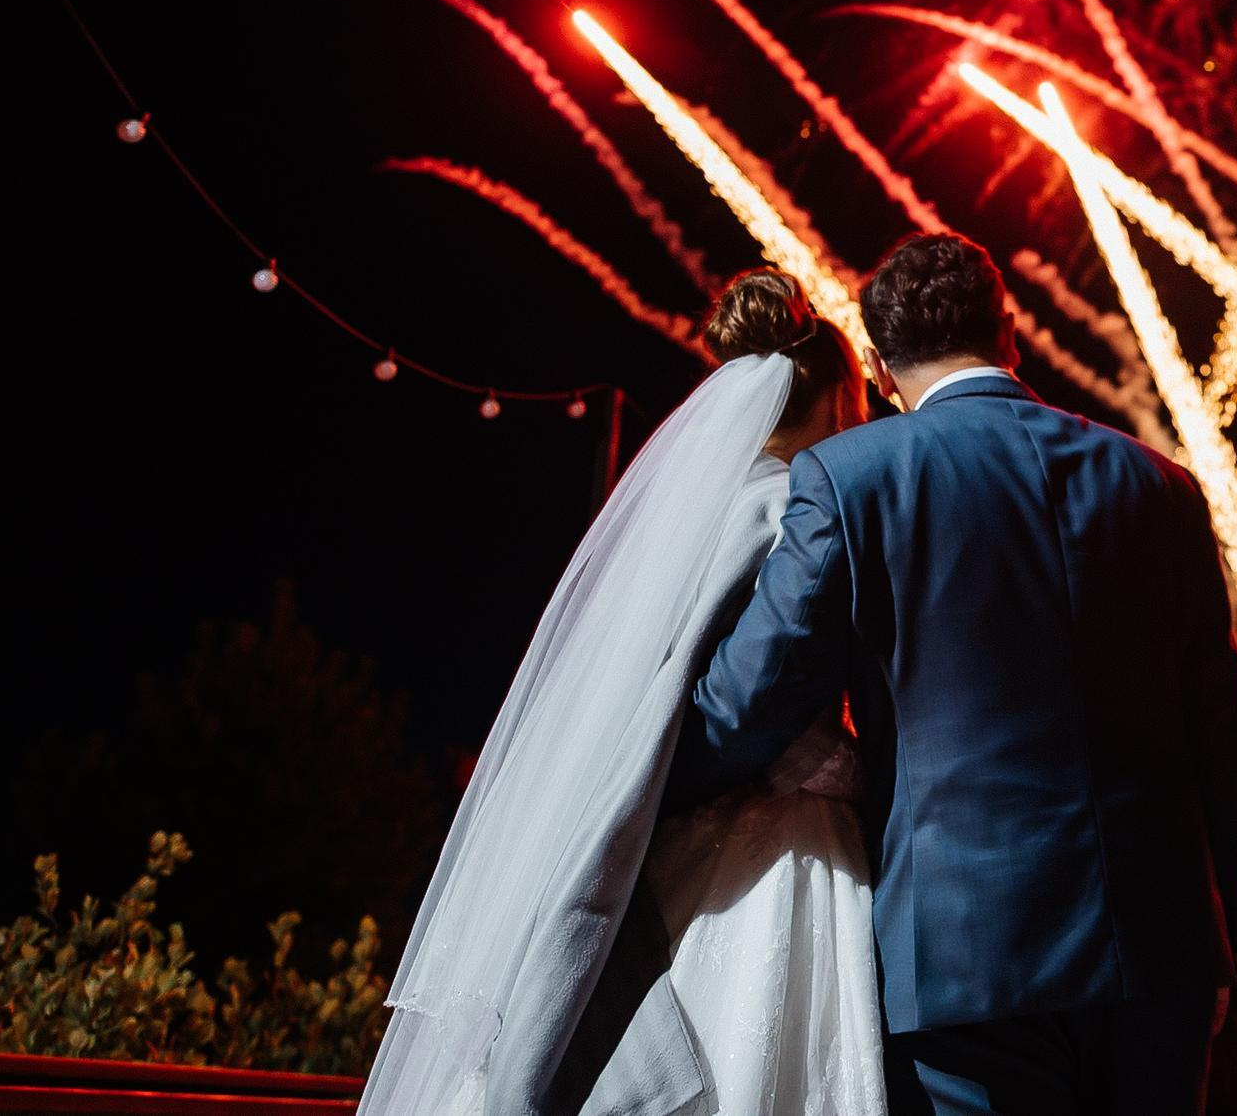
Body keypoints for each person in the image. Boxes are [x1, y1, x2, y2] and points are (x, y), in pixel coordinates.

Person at [674, 231, 1237, 1116]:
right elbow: (1217, 729)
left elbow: (755, 693)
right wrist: (1219, 939)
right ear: (1010, 332)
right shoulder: (1161, 485)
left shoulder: (852, 475)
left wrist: (646, 779)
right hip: (1160, 942)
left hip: (964, 949)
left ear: (877, 360)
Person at [358, 269, 889, 1116]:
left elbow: (665, 687)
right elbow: (759, 680)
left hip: (665, 846)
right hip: (775, 843)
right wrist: (840, 762)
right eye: (856, 399)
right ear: (830, 399)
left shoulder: (693, 514)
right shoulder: (794, 503)